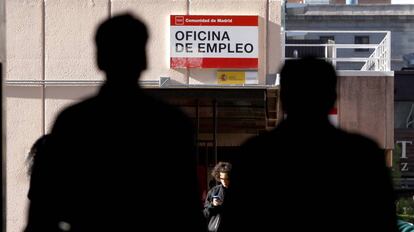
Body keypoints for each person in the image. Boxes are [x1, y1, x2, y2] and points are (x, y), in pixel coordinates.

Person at [24, 14, 204, 232]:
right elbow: (187, 210)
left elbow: (43, 212)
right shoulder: (172, 124)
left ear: (99, 58)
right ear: (144, 58)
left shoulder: (74, 122)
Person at [224, 57, 398, 232]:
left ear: (284, 98)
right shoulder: (362, 154)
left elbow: (235, 222)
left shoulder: (255, 154)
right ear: (332, 98)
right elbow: (383, 222)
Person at [204, 162, 232, 232]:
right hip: (215, 229)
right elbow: (205, 213)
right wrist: (213, 205)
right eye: (222, 178)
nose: (224, 181)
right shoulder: (213, 191)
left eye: (227, 179)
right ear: (218, 177)